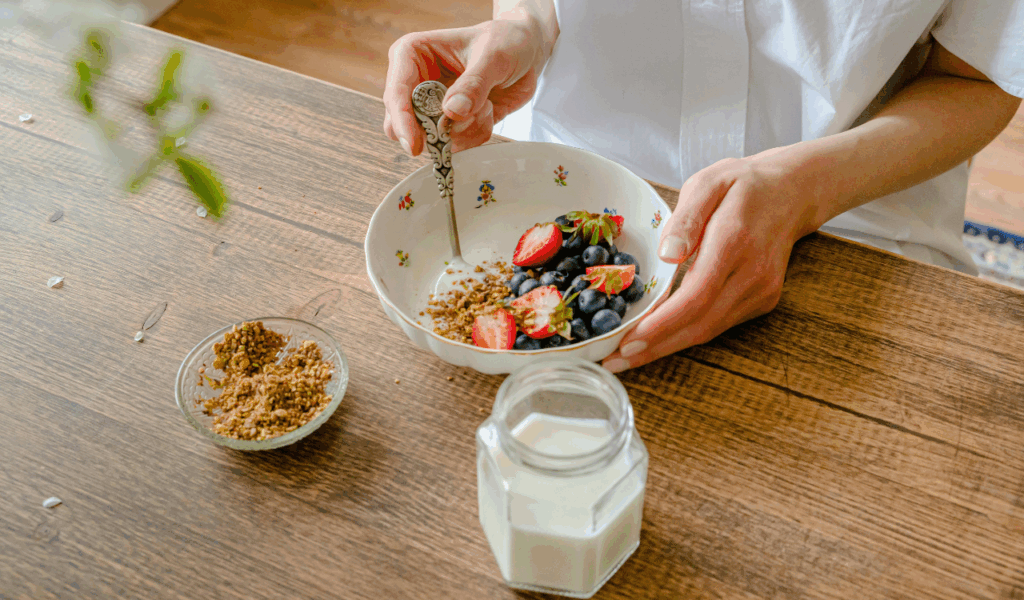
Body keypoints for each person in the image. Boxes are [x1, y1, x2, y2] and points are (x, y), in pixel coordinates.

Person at [382, 0, 1023, 373]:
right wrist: (524, 24)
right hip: (572, 189)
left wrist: (805, 187)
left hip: (854, 225)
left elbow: (978, 77)